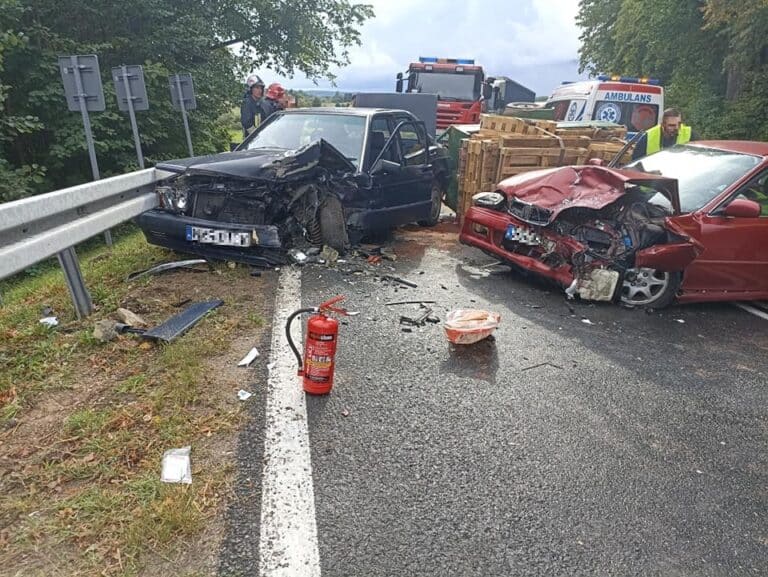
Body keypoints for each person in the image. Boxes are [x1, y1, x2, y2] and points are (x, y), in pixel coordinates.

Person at [632, 107, 697, 160]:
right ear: (663, 125)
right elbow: (635, 163)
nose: (677, 128)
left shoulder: (690, 134)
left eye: (679, 124)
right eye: (672, 125)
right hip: (654, 175)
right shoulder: (648, 136)